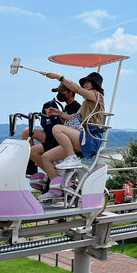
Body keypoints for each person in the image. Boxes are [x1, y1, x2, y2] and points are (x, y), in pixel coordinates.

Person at [39, 71, 105, 200]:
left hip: (90, 139)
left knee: (57, 128)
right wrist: (59, 113)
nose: (85, 84)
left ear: (95, 84)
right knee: (46, 157)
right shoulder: (87, 102)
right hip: (83, 137)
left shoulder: (96, 95)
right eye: (84, 81)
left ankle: (72, 159)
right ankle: (58, 189)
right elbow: (74, 118)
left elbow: (76, 89)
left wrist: (59, 77)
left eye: (88, 81)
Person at [27, 84, 81, 178]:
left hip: (64, 141)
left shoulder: (76, 107)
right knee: (28, 133)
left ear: (70, 93)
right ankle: (47, 172)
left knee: (34, 152)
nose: (59, 94)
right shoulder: (67, 107)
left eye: (61, 91)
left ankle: (53, 177)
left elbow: (72, 127)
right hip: (58, 139)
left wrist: (58, 115)